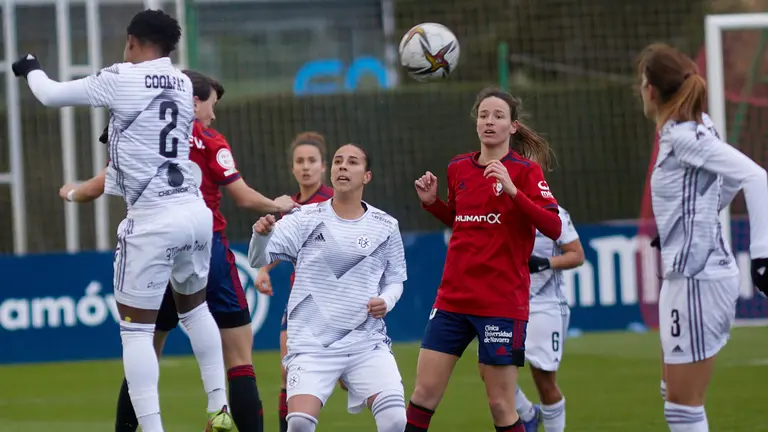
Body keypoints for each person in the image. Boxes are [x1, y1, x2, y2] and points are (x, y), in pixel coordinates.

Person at [13, 10, 226, 432]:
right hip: (193, 211)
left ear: (131, 41)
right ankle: (218, 408)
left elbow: (50, 94)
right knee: (196, 311)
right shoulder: (184, 85)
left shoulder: (120, 78)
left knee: (135, 333)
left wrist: (30, 66)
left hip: (153, 220)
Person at [57, 70, 296, 432]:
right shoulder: (211, 141)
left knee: (144, 350)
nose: (213, 116)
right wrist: (276, 204)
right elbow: (244, 197)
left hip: (153, 249)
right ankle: (220, 409)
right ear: (193, 102)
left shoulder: (143, 139)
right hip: (205, 248)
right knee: (238, 356)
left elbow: (95, 186)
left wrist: (71, 192)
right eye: (211, 106)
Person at [406, 86, 562, 432]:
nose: (489, 122)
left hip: (501, 303)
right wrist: (433, 203)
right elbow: (464, 223)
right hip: (453, 299)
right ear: (476, 122)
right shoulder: (458, 167)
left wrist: (513, 191)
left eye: (498, 116)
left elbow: (553, 227)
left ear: (513, 126)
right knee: (423, 394)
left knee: (500, 406)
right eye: (483, 115)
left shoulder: (524, 172)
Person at [637, 42, 768, 432]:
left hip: (697, 279)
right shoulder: (694, 127)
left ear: (651, 90)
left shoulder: (684, 136)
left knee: (682, 408)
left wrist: (761, 258)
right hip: (686, 275)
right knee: (673, 396)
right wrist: (691, 220)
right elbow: (720, 184)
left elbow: (756, 177)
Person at [248, 144, 408, 432]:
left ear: (367, 176)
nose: (343, 167)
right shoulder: (304, 218)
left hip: (366, 344)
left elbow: (396, 279)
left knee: (396, 421)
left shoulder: (385, 225)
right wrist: (260, 236)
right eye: (338, 161)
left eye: (352, 162)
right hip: (312, 347)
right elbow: (258, 258)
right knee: (298, 423)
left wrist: (387, 299)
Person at [253, 132, 333, 432]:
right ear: (292, 168)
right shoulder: (288, 207)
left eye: (312, 160)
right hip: (302, 301)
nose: (306, 166)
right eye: (300, 161)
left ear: (323, 166)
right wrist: (263, 270)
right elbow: (278, 242)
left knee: (354, 378)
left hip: (338, 301)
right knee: (289, 374)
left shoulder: (333, 201)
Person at [513, 206, 584, 432]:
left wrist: (544, 263)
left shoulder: (554, 211)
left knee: (543, 380)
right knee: (489, 367)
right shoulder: (503, 206)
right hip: (510, 304)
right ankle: (528, 414)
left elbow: (577, 255)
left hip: (545, 304)